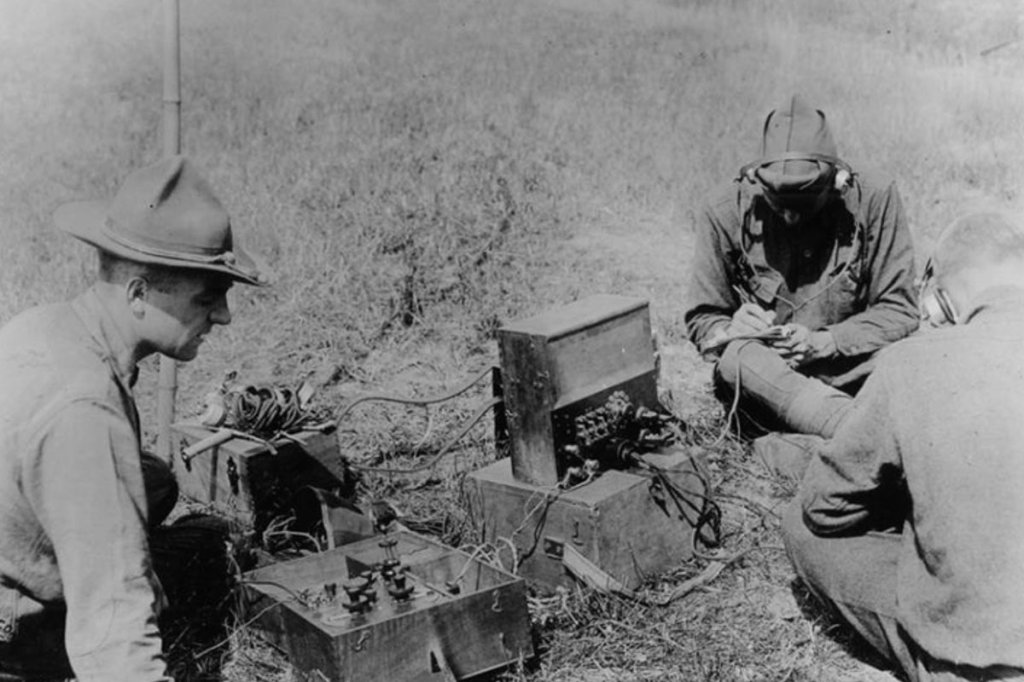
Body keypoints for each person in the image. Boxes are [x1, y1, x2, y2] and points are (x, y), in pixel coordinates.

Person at [0, 156, 267, 681]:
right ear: (139, 294)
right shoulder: (86, 410)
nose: (223, 316)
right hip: (12, 625)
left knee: (159, 484)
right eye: (207, 297)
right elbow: (113, 631)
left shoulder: (44, 327)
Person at [783, 210, 1024, 681]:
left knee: (800, 523)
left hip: (983, 659)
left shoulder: (913, 363)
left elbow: (825, 508)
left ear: (938, 296)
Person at [684, 94, 919, 443]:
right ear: (756, 181)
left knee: (911, 358)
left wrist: (827, 342)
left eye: (806, 205)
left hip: (849, 371)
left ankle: (819, 434)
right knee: (734, 360)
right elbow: (703, 318)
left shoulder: (874, 198)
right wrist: (732, 327)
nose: (792, 216)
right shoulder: (723, 211)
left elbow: (900, 309)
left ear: (838, 182)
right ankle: (858, 436)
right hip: (767, 377)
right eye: (779, 205)